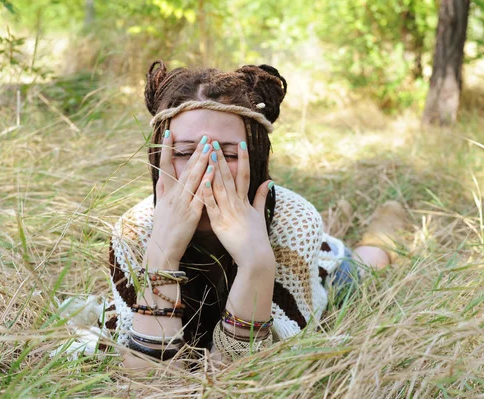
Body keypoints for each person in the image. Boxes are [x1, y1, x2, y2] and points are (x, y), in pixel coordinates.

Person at [106, 60, 408, 367]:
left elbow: (243, 371)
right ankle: (340, 214)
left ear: (257, 156)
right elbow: (146, 377)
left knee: (366, 262)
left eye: (229, 154)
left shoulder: (295, 222)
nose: (207, 171)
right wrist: (162, 257)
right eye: (185, 153)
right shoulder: (134, 229)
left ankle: (386, 221)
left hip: (319, 269)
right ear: (161, 157)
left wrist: (256, 264)